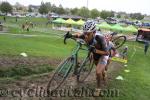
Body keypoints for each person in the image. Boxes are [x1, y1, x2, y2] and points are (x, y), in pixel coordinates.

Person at [65, 20, 109, 88]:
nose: (86, 36)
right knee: (100, 70)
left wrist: (95, 50)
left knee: (98, 72)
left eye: (88, 34)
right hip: (95, 54)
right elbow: (78, 35)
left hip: (103, 54)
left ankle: (98, 88)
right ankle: (104, 73)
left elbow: (106, 53)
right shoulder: (86, 34)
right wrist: (70, 35)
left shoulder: (100, 38)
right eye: (85, 33)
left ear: (94, 32)